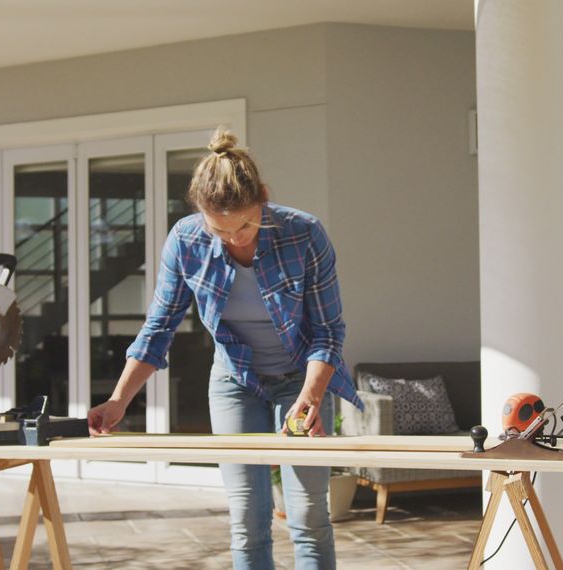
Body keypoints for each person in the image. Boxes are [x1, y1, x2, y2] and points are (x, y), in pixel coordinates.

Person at [87, 128, 363, 570]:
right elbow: (159, 328)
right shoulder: (185, 241)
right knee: (248, 519)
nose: (236, 239)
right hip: (236, 382)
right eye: (221, 230)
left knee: (309, 516)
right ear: (200, 215)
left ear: (264, 200)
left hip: (301, 381)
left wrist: (310, 398)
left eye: (247, 225)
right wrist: (120, 399)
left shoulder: (304, 235)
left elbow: (328, 331)